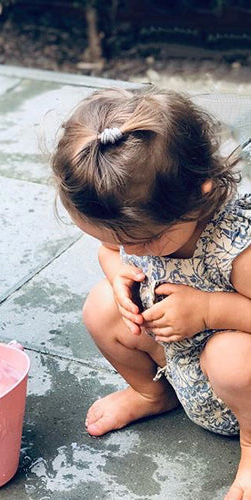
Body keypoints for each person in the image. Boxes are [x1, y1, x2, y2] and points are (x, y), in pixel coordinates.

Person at [51, 86, 251, 500]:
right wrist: (117, 275)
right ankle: (151, 393)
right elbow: (109, 251)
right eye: (122, 241)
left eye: (146, 241)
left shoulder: (235, 249)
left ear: (200, 195)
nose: (134, 251)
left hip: (237, 385)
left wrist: (210, 310)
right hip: (180, 363)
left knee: (231, 359)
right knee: (100, 307)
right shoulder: (137, 220)